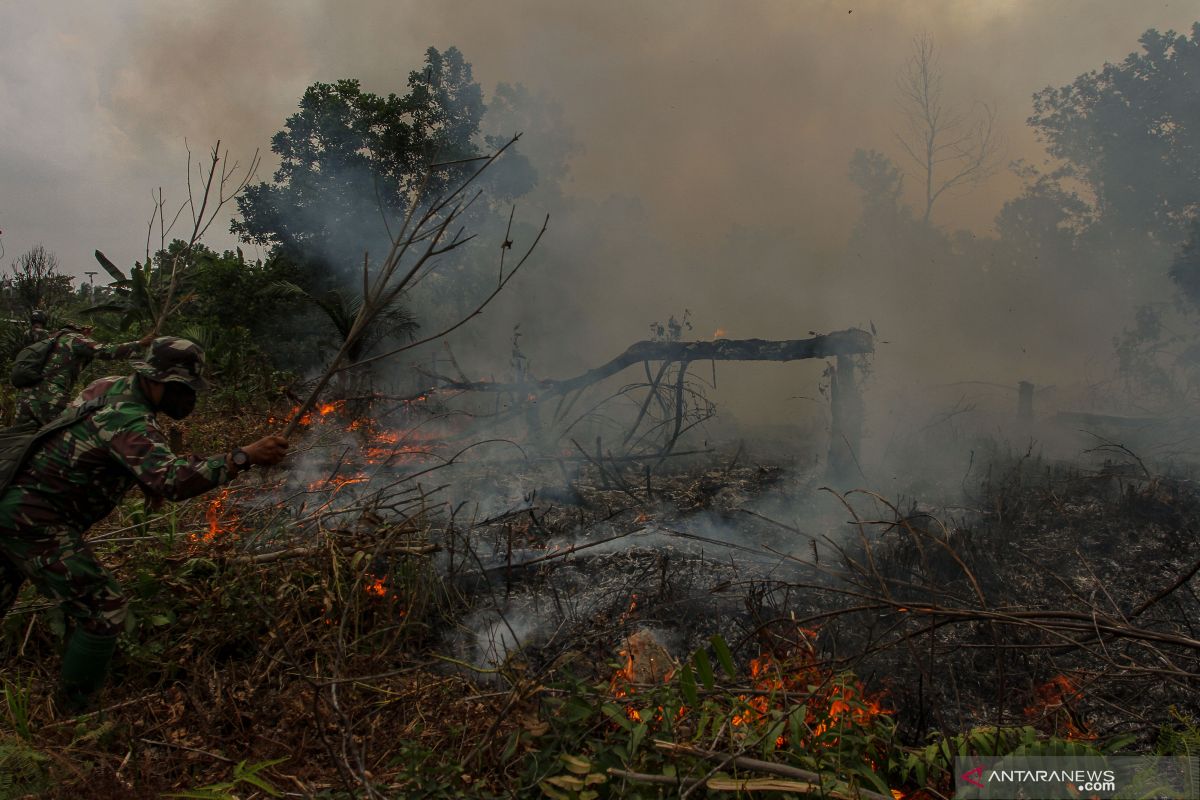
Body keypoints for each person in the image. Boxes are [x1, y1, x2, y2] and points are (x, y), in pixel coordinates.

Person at [0, 337, 288, 713]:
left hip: (13, 503)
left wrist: (137, 475)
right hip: (34, 519)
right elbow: (172, 482)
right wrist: (241, 456)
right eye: (180, 389)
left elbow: (93, 443)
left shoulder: (107, 386)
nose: (188, 400)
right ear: (154, 381)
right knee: (104, 609)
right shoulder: (129, 419)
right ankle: (72, 717)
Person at [14, 313, 153, 427]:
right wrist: (139, 344)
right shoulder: (74, 339)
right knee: (55, 442)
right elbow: (104, 351)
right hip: (50, 400)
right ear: (77, 331)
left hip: (24, 398)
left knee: (19, 444)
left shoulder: (50, 339)